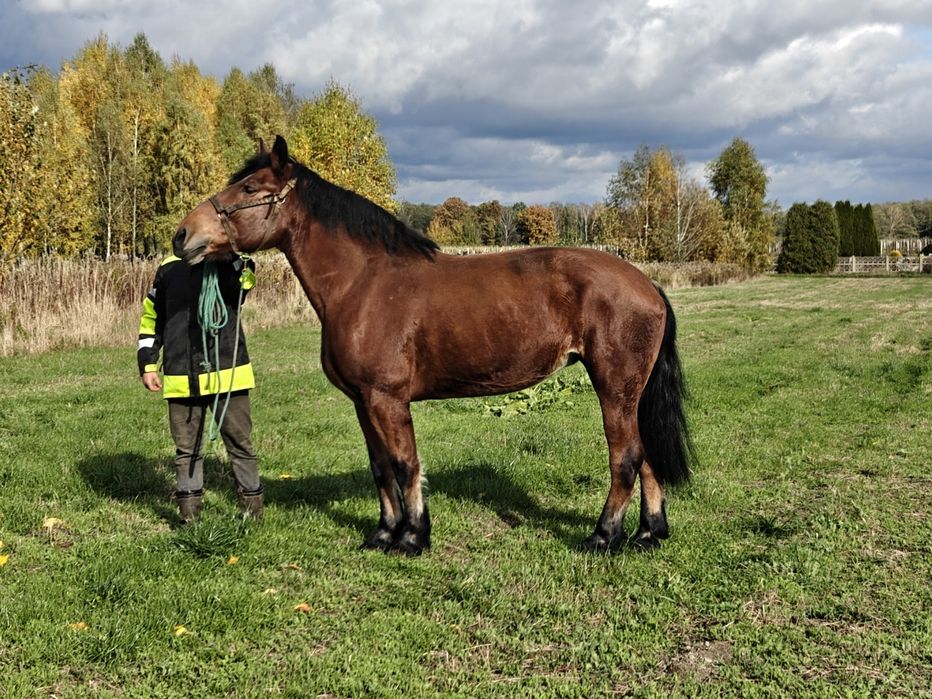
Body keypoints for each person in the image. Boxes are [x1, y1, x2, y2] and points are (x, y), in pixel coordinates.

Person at [137, 254, 261, 523]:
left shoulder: (229, 261)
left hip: (228, 373)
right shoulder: (168, 268)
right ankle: (190, 518)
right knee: (186, 450)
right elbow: (152, 317)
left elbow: (243, 289)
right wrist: (148, 364)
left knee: (241, 445)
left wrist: (237, 259)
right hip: (182, 376)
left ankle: (253, 513)